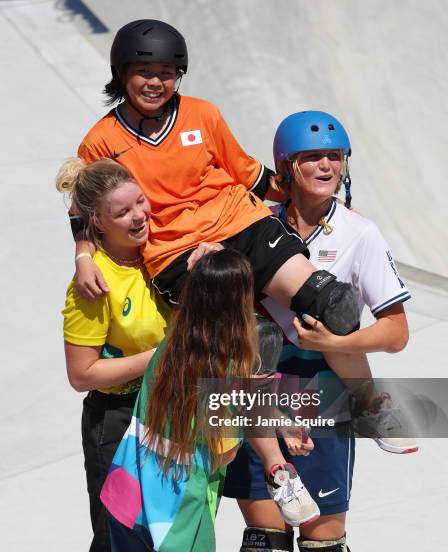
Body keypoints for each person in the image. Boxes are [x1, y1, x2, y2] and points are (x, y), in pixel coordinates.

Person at [224, 111, 413, 552]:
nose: (326, 165)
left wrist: (339, 341)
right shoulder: (250, 223)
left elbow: (396, 333)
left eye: (335, 156)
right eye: (312, 157)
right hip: (253, 392)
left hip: (321, 388)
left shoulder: (359, 233)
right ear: (285, 166)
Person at [73, 19, 360, 343]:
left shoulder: (202, 115)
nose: (155, 83)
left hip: (243, 225)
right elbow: (83, 213)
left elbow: (251, 176)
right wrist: (84, 259)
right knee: (253, 340)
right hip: (177, 250)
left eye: (166, 73)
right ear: (121, 72)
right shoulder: (100, 142)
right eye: (144, 72)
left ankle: (357, 388)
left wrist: (322, 202)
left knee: (333, 304)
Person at [99, 249, 257, 552]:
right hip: (179, 521)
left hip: (127, 499)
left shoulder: (167, 348)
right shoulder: (225, 371)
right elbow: (225, 452)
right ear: (241, 305)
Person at [58, 157, 175, 552]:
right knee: (115, 542)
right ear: (97, 225)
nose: (140, 215)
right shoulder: (92, 282)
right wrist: (159, 358)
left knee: (168, 538)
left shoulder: (165, 254)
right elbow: (81, 374)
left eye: (141, 202)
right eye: (123, 212)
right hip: (118, 419)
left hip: (173, 411)